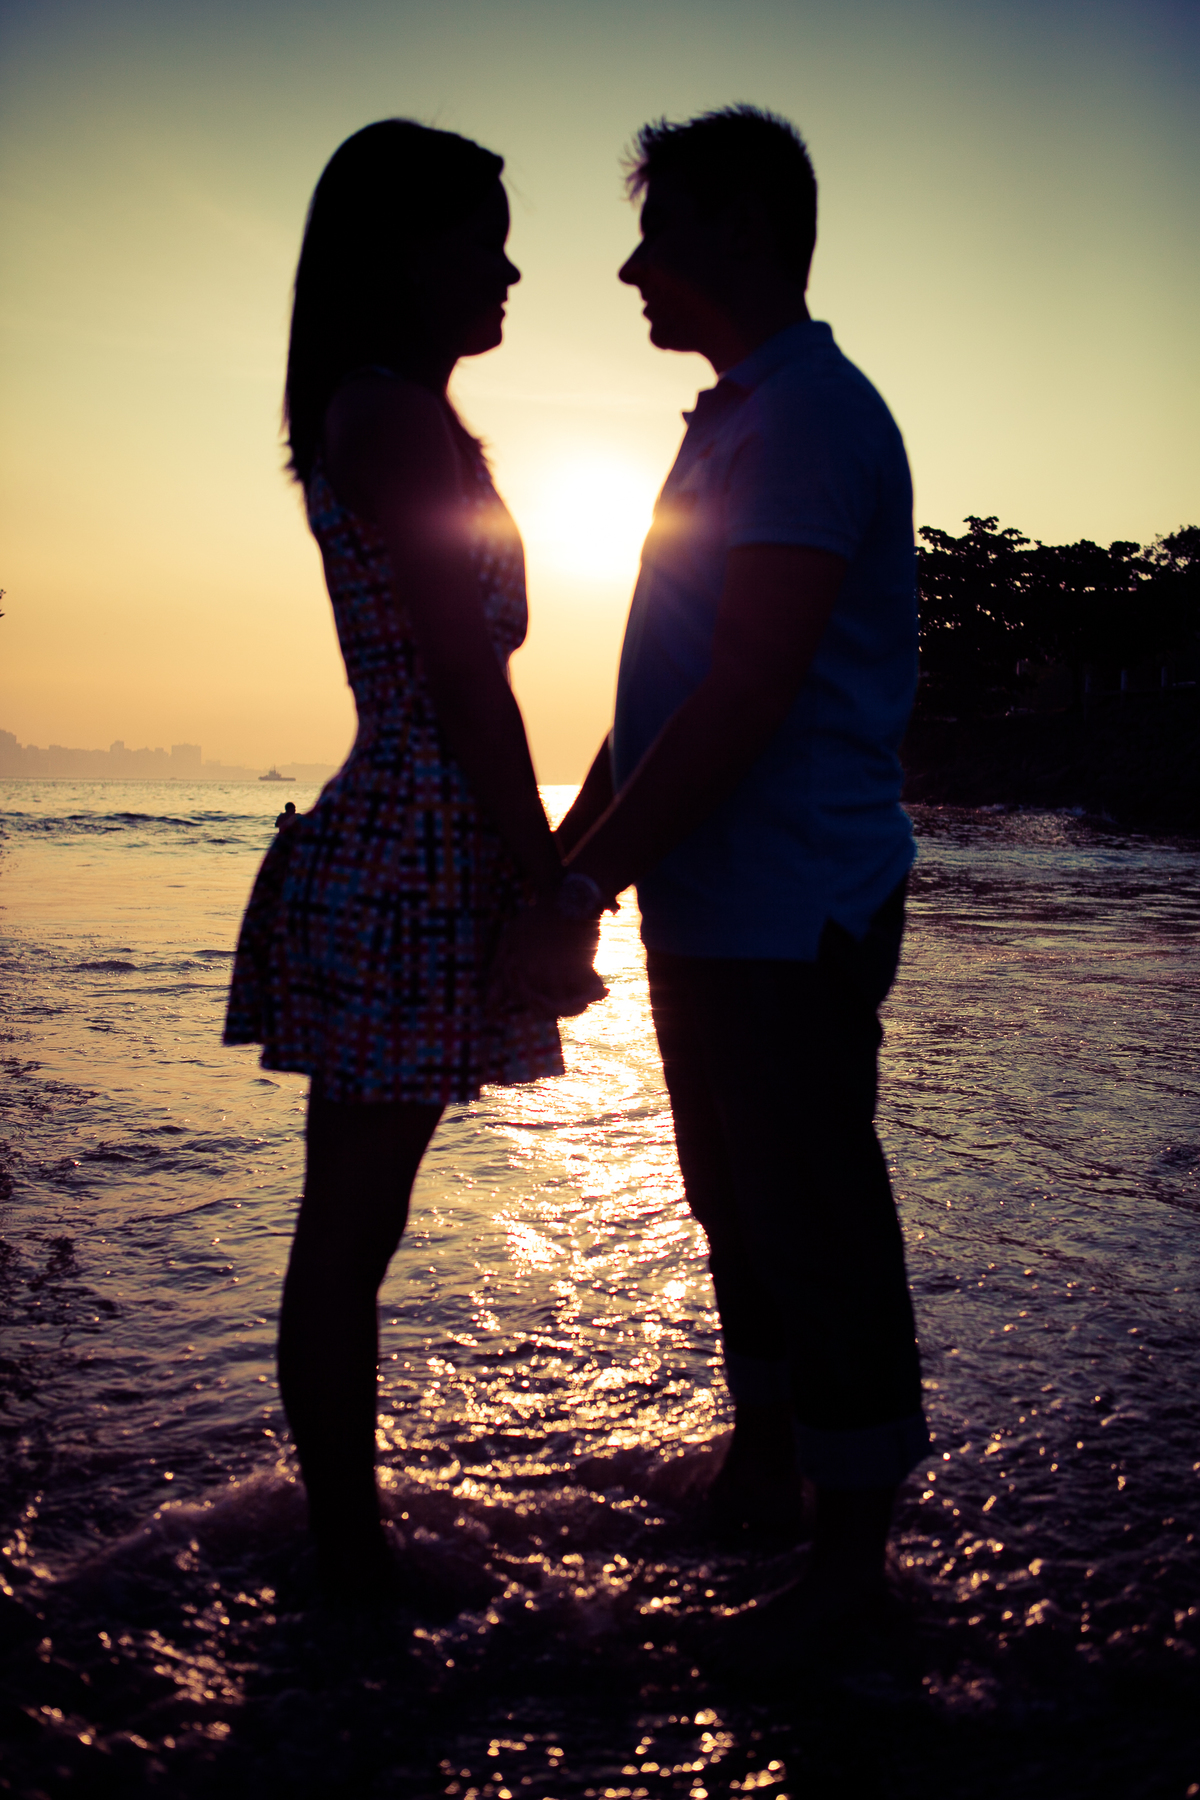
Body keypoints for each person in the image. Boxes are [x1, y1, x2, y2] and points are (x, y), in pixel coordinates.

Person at [551, 106, 928, 1623]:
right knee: (737, 1202)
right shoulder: (734, 421)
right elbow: (658, 699)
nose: (633, 265)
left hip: (791, 899)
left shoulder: (810, 419)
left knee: (818, 1217)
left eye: (664, 230)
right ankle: (766, 1466)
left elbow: (749, 693)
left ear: (746, 233)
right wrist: (568, 854)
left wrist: (581, 885)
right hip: (718, 900)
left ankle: (851, 1572)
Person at [224, 119, 602, 1598]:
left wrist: (535, 865)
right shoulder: (384, 414)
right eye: (483, 235)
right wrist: (555, 878)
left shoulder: (412, 418)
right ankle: (345, 1553)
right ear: (403, 251)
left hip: (421, 844)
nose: (509, 265)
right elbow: (461, 674)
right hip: (404, 854)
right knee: (349, 1229)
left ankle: (345, 1544)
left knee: (357, 1222)